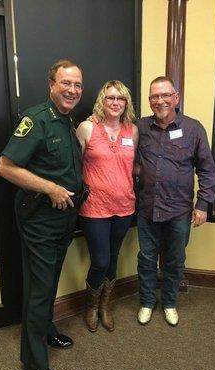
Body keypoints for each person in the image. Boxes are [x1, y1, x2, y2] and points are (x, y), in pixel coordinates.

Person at [0, 59, 84, 370]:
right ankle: (33, 363)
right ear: (51, 84)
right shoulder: (36, 120)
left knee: (48, 282)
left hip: (64, 217)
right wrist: (49, 187)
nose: (72, 90)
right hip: (39, 218)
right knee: (38, 288)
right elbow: (5, 166)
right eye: (66, 83)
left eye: (77, 85)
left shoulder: (66, 121)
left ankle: (46, 328)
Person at [136, 76, 215, 327]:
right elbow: (116, 140)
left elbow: (207, 169)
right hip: (147, 208)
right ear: (149, 101)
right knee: (147, 258)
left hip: (179, 211)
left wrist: (203, 204)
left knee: (175, 259)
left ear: (176, 98)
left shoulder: (193, 129)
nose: (160, 100)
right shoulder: (139, 127)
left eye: (165, 95)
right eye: (154, 96)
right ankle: (147, 302)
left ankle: (169, 302)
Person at [76, 80, 138, 333]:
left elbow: (132, 167)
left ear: (126, 103)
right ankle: (91, 306)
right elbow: (74, 166)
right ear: (102, 100)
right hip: (94, 207)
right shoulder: (87, 128)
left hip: (124, 206)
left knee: (113, 256)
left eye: (120, 98)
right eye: (110, 98)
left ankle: (105, 305)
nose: (115, 103)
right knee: (100, 260)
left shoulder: (132, 130)